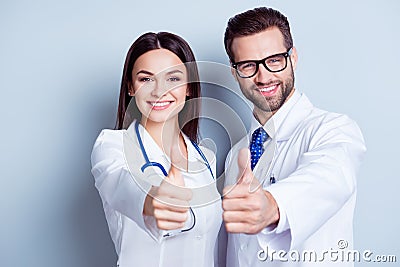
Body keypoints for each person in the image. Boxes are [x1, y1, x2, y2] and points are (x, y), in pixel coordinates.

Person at [221, 7, 366, 266]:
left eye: (274, 60)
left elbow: (330, 177)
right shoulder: (236, 155)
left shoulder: (332, 130)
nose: (263, 76)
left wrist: (273, 205)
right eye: (247, 65)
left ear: (293, 58)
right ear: (234, 72)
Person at [91, 32, 222, 267]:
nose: (159, 90)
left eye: (173, 79)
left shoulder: (205, 158)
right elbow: (122, 184)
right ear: (131, 87)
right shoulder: (112, 146)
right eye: (146, 79)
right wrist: (152, 199)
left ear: (188, 88)